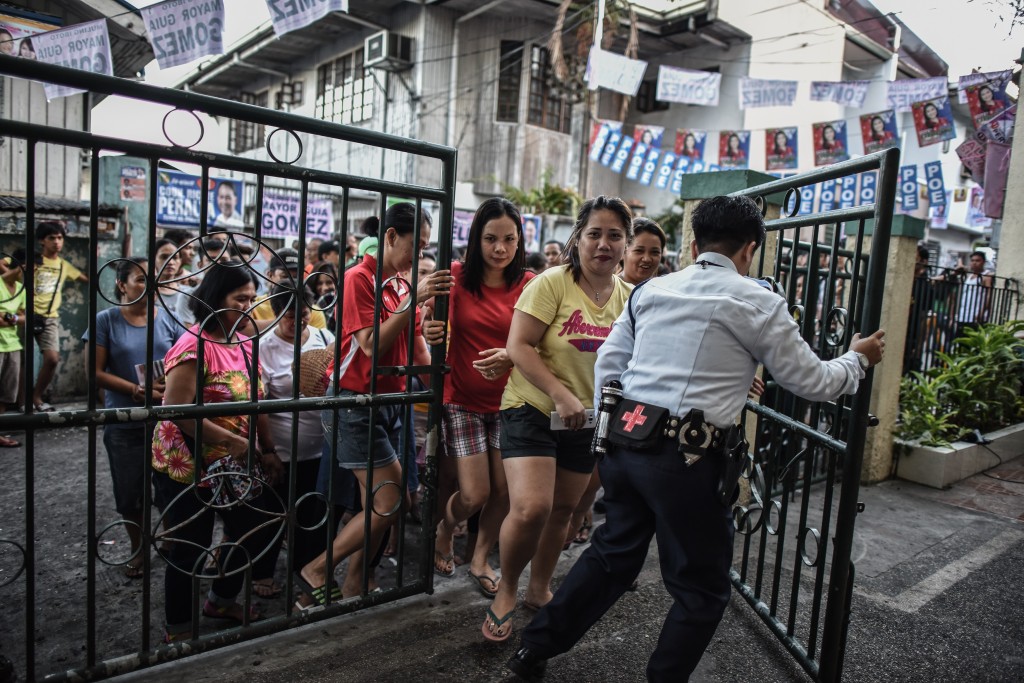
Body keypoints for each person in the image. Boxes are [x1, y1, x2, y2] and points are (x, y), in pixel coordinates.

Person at [506, 195, 886, 681]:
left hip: (627, 444)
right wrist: (858, 359)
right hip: (688, 461)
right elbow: (812, 381)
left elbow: (609, 366)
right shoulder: (758, 301)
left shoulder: (652, 291)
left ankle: (532, 651)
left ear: (692, 243)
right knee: (702, 589)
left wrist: (613, 430)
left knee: (611, 557)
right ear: (750, 249)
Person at [482, 196, 633, 643]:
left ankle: (539, 588)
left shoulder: (631, 298)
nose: (603, 244)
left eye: (614, 235)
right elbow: (520, 346)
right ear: (577, 239)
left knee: (564, 510)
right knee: (532, 507)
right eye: (594, 233)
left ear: (624, 244)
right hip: (531, 407)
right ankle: (506, 589)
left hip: (587, 419)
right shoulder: (551, 284)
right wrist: (560, 393)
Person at [295, 202, 453, 605]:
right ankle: (316, 568)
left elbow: (416, 349)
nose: (418, 257)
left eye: (424, 250)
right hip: (353, 402)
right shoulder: (357, 278)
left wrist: (445, 386)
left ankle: (355, 584)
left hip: (390, 401)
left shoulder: (400, 284)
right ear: (390, 237)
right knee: (390, 499)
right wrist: (410, 301)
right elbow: (371, 344)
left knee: (379, 503)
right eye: (415, 247)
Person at [152, 262, 284, 642]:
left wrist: (268, 448)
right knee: (191, 544)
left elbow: (257, 402)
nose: (249, 307)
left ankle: (220, 600)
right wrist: (231, 441)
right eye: (239, 299)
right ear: (213, 300)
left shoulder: (244, 343)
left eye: (251, 299)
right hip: (188, 464)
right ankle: (178, 628)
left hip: (234, 463)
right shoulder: (193, 346)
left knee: (254, 530)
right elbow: (176, 410)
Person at [423, 198, 534, 597]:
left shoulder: (529, 284)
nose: (500, 249)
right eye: (490, 239)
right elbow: (430, 321)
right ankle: (444, 528)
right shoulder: (454, 276)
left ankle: (480, 557)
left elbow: (540, 340)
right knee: (475, 493)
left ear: (520, 240)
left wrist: (513, 355)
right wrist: (427, 327)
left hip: (511, 401)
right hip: (463, 398)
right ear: (475, 239)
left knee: (504, 492)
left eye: (508, 239)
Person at [84, 257, 179, 578]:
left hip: (165, 419)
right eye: (140, 279)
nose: (148, 286)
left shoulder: (168, 319)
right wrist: (135, 390)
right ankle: (138, 547)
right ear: (121, 285)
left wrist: (169, 384)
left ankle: (168, 540)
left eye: (153, 280)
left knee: (169, 485)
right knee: (129, 494)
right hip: (124, 420)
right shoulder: (105, 321)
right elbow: (93, 373)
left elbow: (183, 360)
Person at [254, 283, 335, 597]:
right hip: (281, 451)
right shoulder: (263, 347)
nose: (296, 322)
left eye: (302, 315)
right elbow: (258, 402)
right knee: (272, 517)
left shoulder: (323, 338)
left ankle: (306, 573)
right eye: (288, 316)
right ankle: (262, 574)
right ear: (275, 315)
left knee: (311, 516)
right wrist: (269, 449)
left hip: (319, 448)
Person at [30, 221, 88, 412]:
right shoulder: (33, 259)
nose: (56, 242)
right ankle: (23, 402)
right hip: (25, 314)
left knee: (52, 359)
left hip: (49, 318)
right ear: (41, 241)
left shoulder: (64, 266)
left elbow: (86, 279)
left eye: (60, 238)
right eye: (51, 238)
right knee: (21, 361)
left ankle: (36, 397)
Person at [0, 250, 26, 447]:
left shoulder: (20, 289)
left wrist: (13, 318)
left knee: (6, 394)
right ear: (22, 267)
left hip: (13, 344)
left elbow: (24, 316)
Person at [952, 251, 993, 338]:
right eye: (972, 260)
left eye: (977, 260)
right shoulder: (969, 276)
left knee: (973, 343)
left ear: (983, 262)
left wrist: (982, 312)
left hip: (976, 316)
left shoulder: (986, 276)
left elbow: (989, 295)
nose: (974, 263)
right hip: (963, 315)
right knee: (960, 341)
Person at [620, 218, 666, 286]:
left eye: (654, 252)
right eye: (639, 250)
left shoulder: (663, 293)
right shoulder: (606, 291)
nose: (647, 259)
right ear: (623, 252)